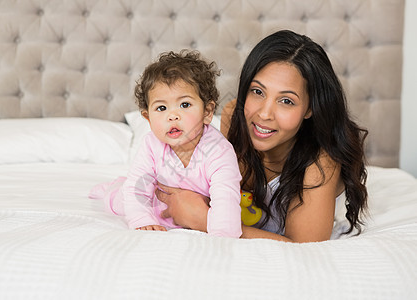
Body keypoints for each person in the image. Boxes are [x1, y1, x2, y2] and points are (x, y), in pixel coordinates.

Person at [155, 30, 369, 243]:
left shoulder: (321, 160)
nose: (264, 114)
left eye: (286, 101)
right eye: (257, 91)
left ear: (309, 108)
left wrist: (204, 220)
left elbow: (303, 248)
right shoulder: (236, 117)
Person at [89, 50, 242, 238]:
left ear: (207, 112)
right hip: (152, 205)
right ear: (148, 118)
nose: (172, 116)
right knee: (120, 199)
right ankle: (111, 188)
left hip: (186, 214)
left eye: (185, 104)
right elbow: (137, 191)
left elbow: (225, 198)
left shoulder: (219, 151)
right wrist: (143, 221)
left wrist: (222, 236)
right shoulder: (152, 145)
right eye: (161, 108)